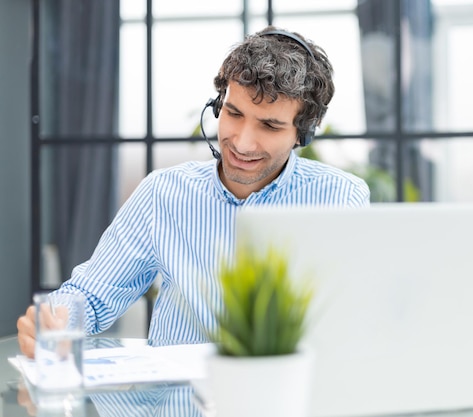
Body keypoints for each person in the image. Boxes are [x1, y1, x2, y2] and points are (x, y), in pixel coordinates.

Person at [16, 26, 370, 358]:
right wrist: (55, 319)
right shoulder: (163, 193)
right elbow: (91, 297)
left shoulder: (341, 198)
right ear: (218, 106)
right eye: (233, 113)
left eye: (269, 125)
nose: (243, 143)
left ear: (302, 134)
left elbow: (361, 320)